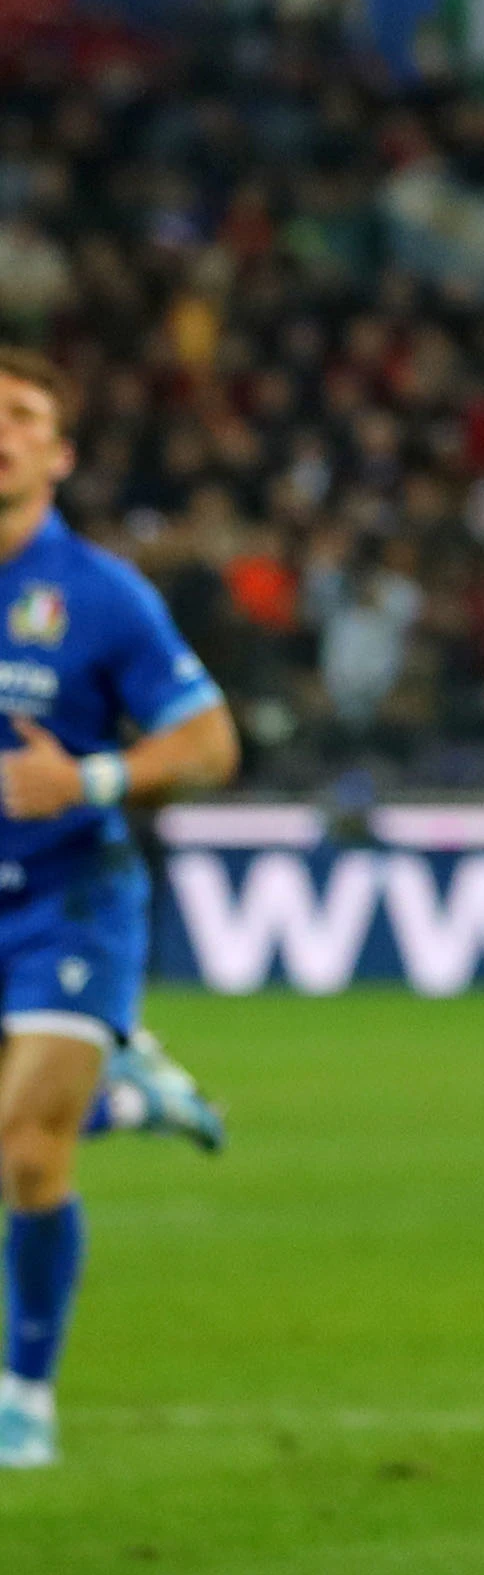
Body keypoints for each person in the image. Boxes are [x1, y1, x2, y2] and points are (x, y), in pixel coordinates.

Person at [0, 349, 242, 1467]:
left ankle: (25, 1394)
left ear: (60, 453)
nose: (0, 431)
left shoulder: (99, 594)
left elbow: (209, 740)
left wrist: (89, 778)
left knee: (25, 1157)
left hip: (68, 898)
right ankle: (126, 1087)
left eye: (23, 415)